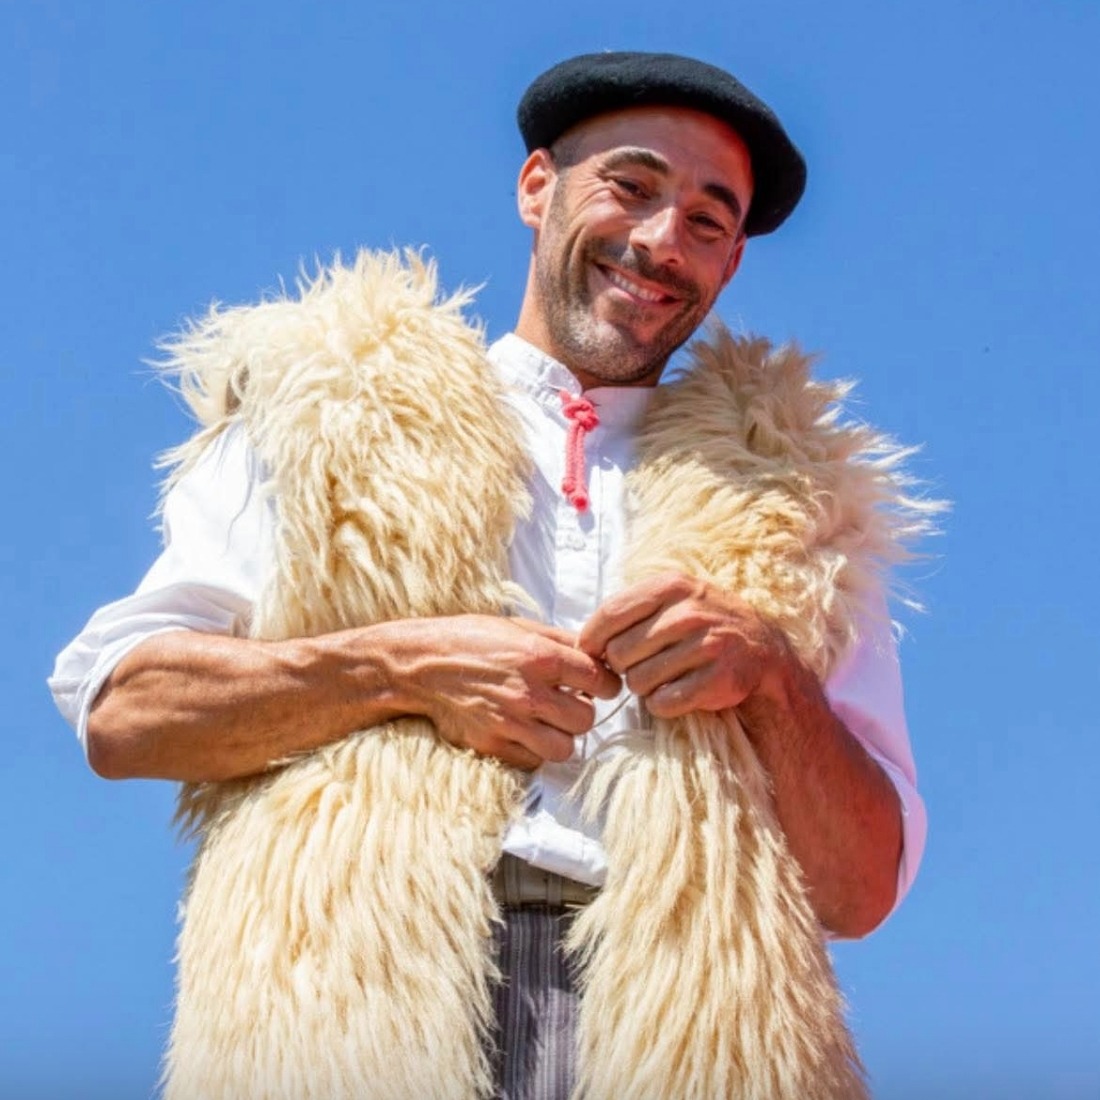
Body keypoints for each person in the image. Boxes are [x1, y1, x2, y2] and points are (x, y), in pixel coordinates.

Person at [51, 52, 930, 1100]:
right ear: (535, 187)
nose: (662, 241)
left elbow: (860, 889)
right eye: (631, 186)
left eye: (707, 220)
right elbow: (125, 711)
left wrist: (774, 678)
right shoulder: (332, 405)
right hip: (353, 1018)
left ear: (732, 262)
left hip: (692, 1046)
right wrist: (399, 668)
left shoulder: (800, 502)